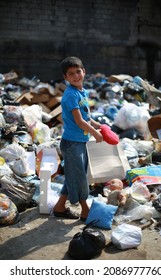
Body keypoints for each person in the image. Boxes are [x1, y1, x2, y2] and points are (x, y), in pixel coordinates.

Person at [53, 56, 103, 221]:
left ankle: (60, 207)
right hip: (72, 143)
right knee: (80, 177)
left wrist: (98, 126)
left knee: (74, 175)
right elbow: (79, 121)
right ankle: (85, 210)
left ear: (84, 72)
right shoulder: (70, 95)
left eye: (78, 71)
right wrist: (95, 133)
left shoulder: (82, 91)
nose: (76, 76)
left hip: (80, 142)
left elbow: (86, 117)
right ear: (65, 78)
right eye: (71, 74)